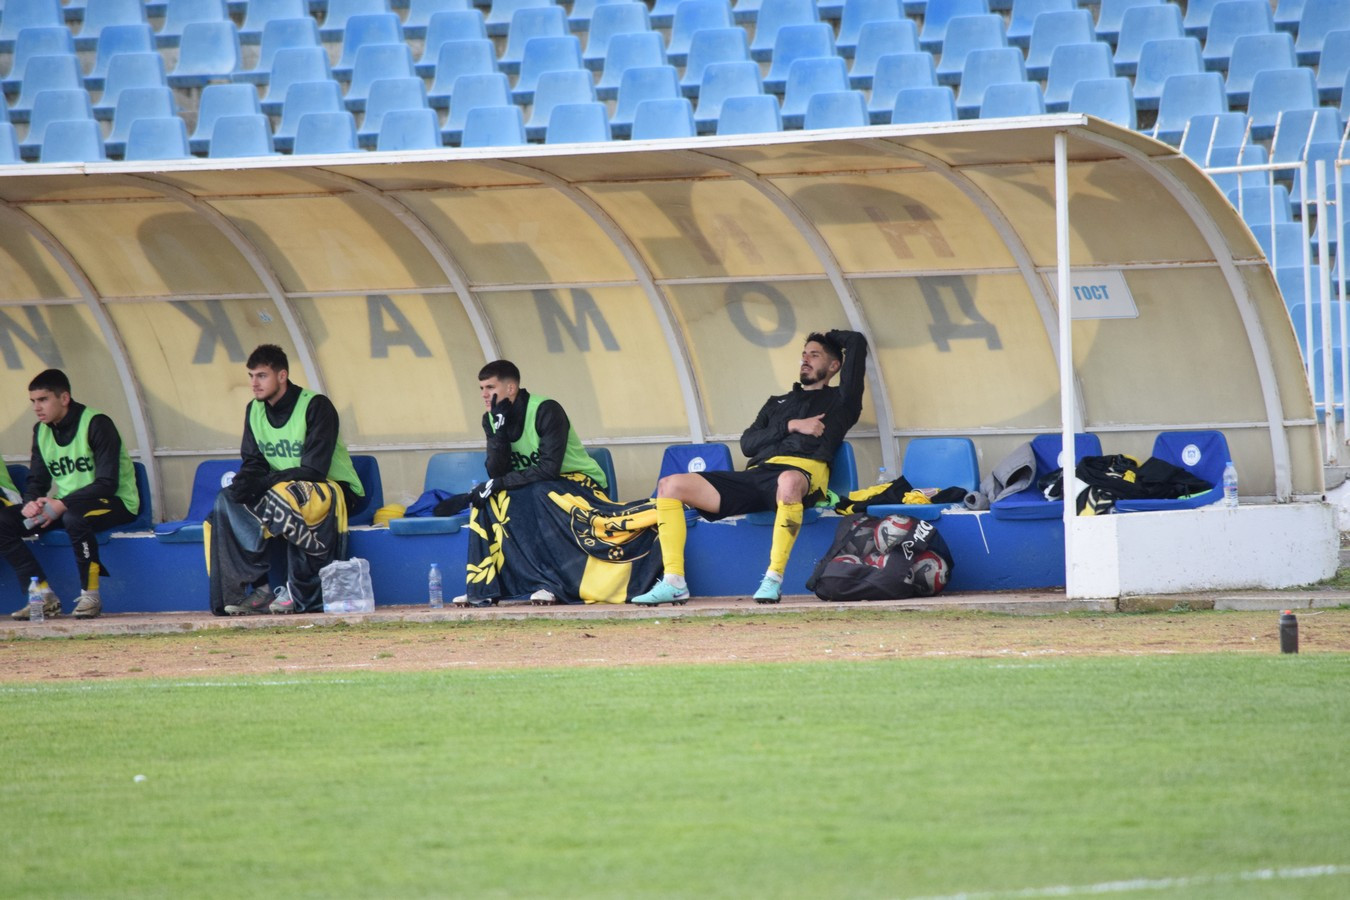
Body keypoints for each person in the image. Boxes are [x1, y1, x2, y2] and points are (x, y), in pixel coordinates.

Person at [634, 329, 869, 606]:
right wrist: (792, 425)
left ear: (834, 366)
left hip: (802, 474)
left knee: (788, 481)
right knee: (670, 485)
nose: (805, 359)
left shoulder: (842, 401)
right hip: (758, 475)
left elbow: (856, 342)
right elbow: (748, 444)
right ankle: (674, 581)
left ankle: (773, 578)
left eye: (815, 355)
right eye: (804, 354)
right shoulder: (777, 402)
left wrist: (830, 335)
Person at [459, 360, 662, 606]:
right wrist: (499, 431)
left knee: (540, 493)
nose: (483, 394)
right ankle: (485, 587)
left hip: (579, 481)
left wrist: (500, 482)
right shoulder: (491, 419)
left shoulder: (546, 410)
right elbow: (496, 471)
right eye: (481, 388)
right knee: (487, 499)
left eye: (490, 387)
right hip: (533, 486)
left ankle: (551, 585)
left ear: (510, 388)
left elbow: (549, 468)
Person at [208, 345, 365, 616]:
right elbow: (254, 461)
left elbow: (315, 470)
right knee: (226, 500)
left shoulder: (316, 406)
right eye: (251, 376)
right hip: (281, 487)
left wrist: (264, 482)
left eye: (261, 376)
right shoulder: (254, 410)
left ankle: (299, 590)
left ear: (282, 376)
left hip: (335, 489)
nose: (254, 383)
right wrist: (246, 482)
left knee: (287, 495)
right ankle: (260, 589)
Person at [5, 369, 141, 620]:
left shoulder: (97, 423)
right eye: (33, 401)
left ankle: (91, 596)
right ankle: (42, 595)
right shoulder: (41, 430)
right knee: (3, 521)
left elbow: (107, 483)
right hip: (66, 503)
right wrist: (30, 503)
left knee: (75, 517)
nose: (36, 407)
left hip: (115, 502)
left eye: (43, 399)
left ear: (64, 398)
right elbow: (37, 479)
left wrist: (62, 503)